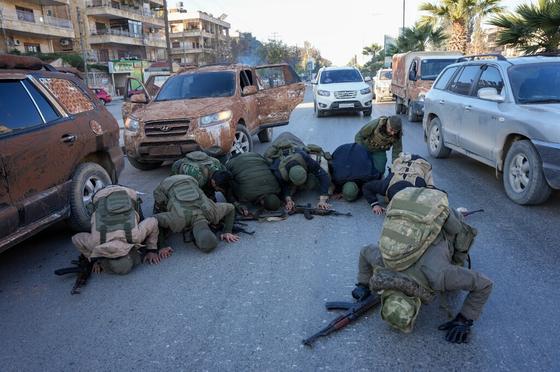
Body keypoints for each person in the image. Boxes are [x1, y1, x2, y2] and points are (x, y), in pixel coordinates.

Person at [352, 187, 492, 344]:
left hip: (444, 223)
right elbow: (365, 251)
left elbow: (484, 284)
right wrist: (363, 284)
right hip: (418, 219)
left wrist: (465, 320)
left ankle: (458, 212)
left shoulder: (440, 277)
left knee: (459, 231)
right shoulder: (383, 261)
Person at [71, 185, 173, 275]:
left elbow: (153, 221)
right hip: (103, 195)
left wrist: (151, 250)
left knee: (138, 217)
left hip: (123, 192)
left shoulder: (135, 237)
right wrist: (92, 258)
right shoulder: (95, 243)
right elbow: (76, 238)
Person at [153, 175, 239, 253]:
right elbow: (154, 220)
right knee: (161, 204)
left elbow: (231, 208)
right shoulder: (179, 221)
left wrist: (228, 231)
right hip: (166, 184)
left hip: (189, 179)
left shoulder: (212, 213)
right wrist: (162, 245)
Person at [266, 132, 331, 211]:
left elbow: (323, 175)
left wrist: (323, 200)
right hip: (278, 142)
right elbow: (283, 186)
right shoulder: (278, 170)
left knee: (311, 183)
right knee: (287, 192)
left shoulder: (304, 157)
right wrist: (288, 200)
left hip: (293, 140)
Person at [363, 153, 433, 215]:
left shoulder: (420, 188)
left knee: (430, 186)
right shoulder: (385, 185)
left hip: (422, 163)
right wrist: (375, 204)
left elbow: (436, 192)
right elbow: (366, 187)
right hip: (402, 159)